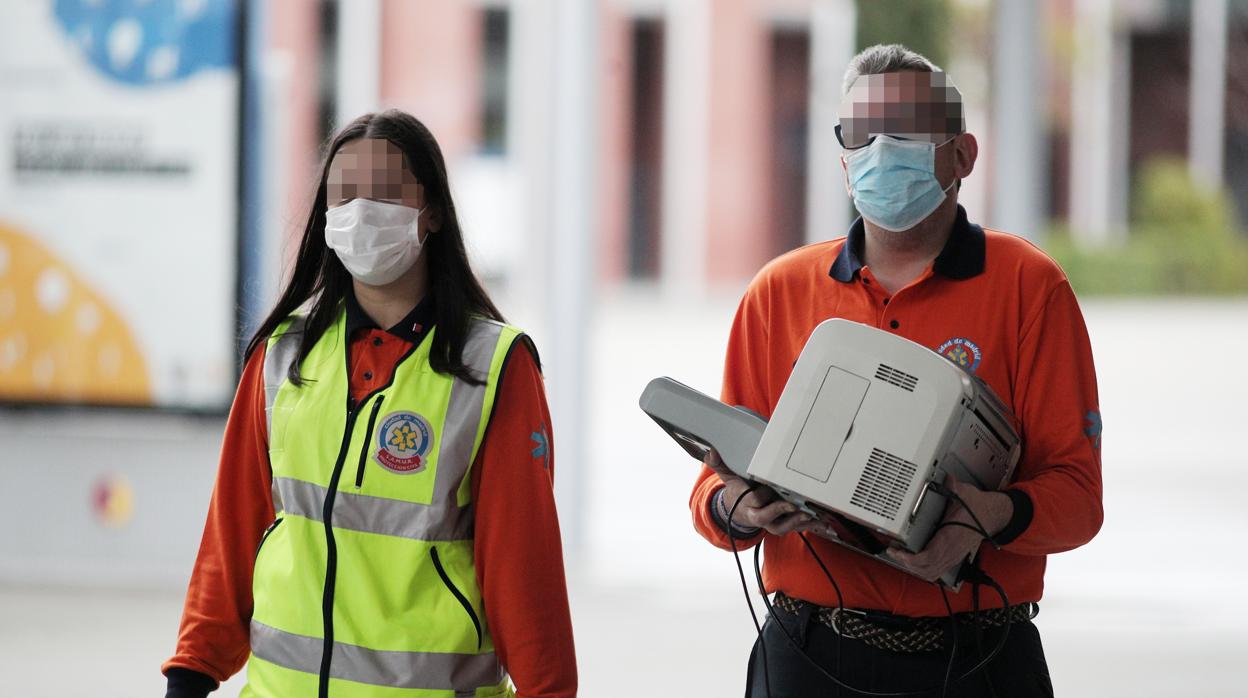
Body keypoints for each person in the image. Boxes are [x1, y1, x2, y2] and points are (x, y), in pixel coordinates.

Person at [690, 44, 1102, 697]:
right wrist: (734, 506)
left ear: (963, 155)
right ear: (843, 158)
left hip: (979, 660)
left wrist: (984, 516)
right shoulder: (778, 292)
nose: (880, 150)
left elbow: (1078, 501)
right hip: (808, 654)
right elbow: (714, 479)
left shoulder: (1030, 288)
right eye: (860, 133)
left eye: (906, 131)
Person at [162, 109, 577, 698]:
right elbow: (231, 534)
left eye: (382, 193)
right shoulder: (281, 357)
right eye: (343, 195)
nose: (359, 212)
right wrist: (190, 672)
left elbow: (525, 570)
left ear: (430, 210)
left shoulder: (493, 368)